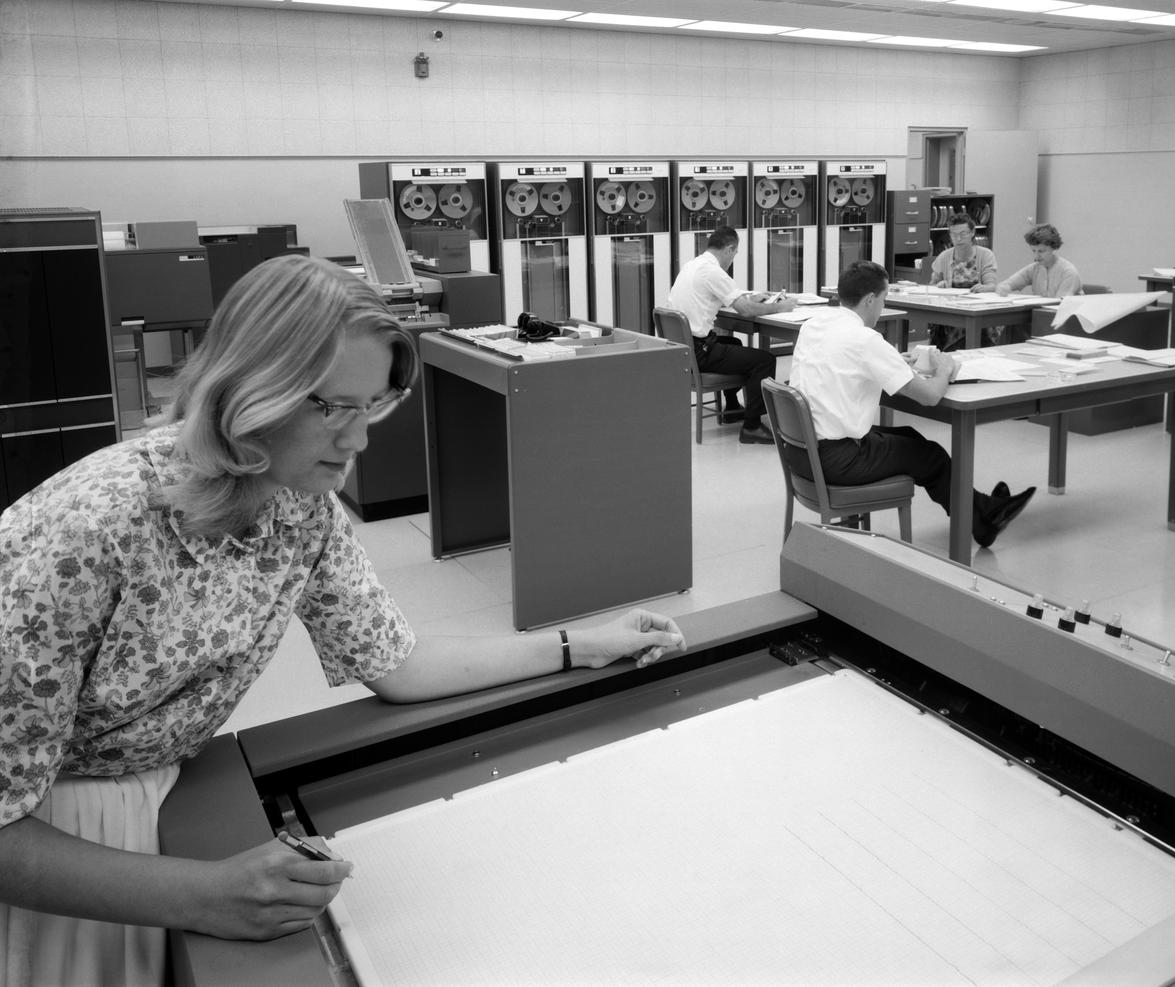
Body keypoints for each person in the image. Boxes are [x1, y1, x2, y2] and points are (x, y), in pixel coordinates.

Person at [0, 255, 686, 987]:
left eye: (371, 407)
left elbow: (401, 663)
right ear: (250, 389)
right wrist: (204, 893)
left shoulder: (298, 508)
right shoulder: (94, 525)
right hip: (54, 848)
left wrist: (582, 644)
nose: (357, 441)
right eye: (330, 407)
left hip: (166, 804)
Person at [788, 260, 1035, 548]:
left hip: (803, 452)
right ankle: (983, 520)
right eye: (883, 300)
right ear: (870, 299)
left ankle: (983, 512)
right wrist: (944, 370)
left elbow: (841, 363)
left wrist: (893, 363)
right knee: (931, 456)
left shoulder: (815, 325)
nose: (882, 308)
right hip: (837, 460)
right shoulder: (865, 339)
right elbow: (930, 396)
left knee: (909, 436)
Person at [666, 226, 797, 445]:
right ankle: (752, 427)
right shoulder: (714, 271)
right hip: (700, 352)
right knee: (764, 360)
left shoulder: (694, 265)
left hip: (683, 350)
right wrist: (781, 308)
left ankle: (734, 407)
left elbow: (724, 298)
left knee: (734, 342)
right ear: (729, 249)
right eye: (735, 254)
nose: (733, 259)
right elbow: (745, 310)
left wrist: (750, 298)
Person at [928, 211, 1000, 350]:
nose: (958, 239)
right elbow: (932, 285)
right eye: (954, 235)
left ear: (972, 232)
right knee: (941, 326)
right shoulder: (944, 256)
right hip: (952, 311)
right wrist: (939, 285)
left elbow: (991, 285)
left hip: (978, 310)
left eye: (963, 234)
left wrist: (984, 288)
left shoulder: (985, 255)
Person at [996, 222, 1083, 298]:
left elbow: (1061, 305)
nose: (1036, 256)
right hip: (1042, 314)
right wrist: (1004, 287)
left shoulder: (1068, 272)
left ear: (1054, 248)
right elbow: (1006, 284)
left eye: (1041, 251)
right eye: (1033, 251)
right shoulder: (1034, 268)